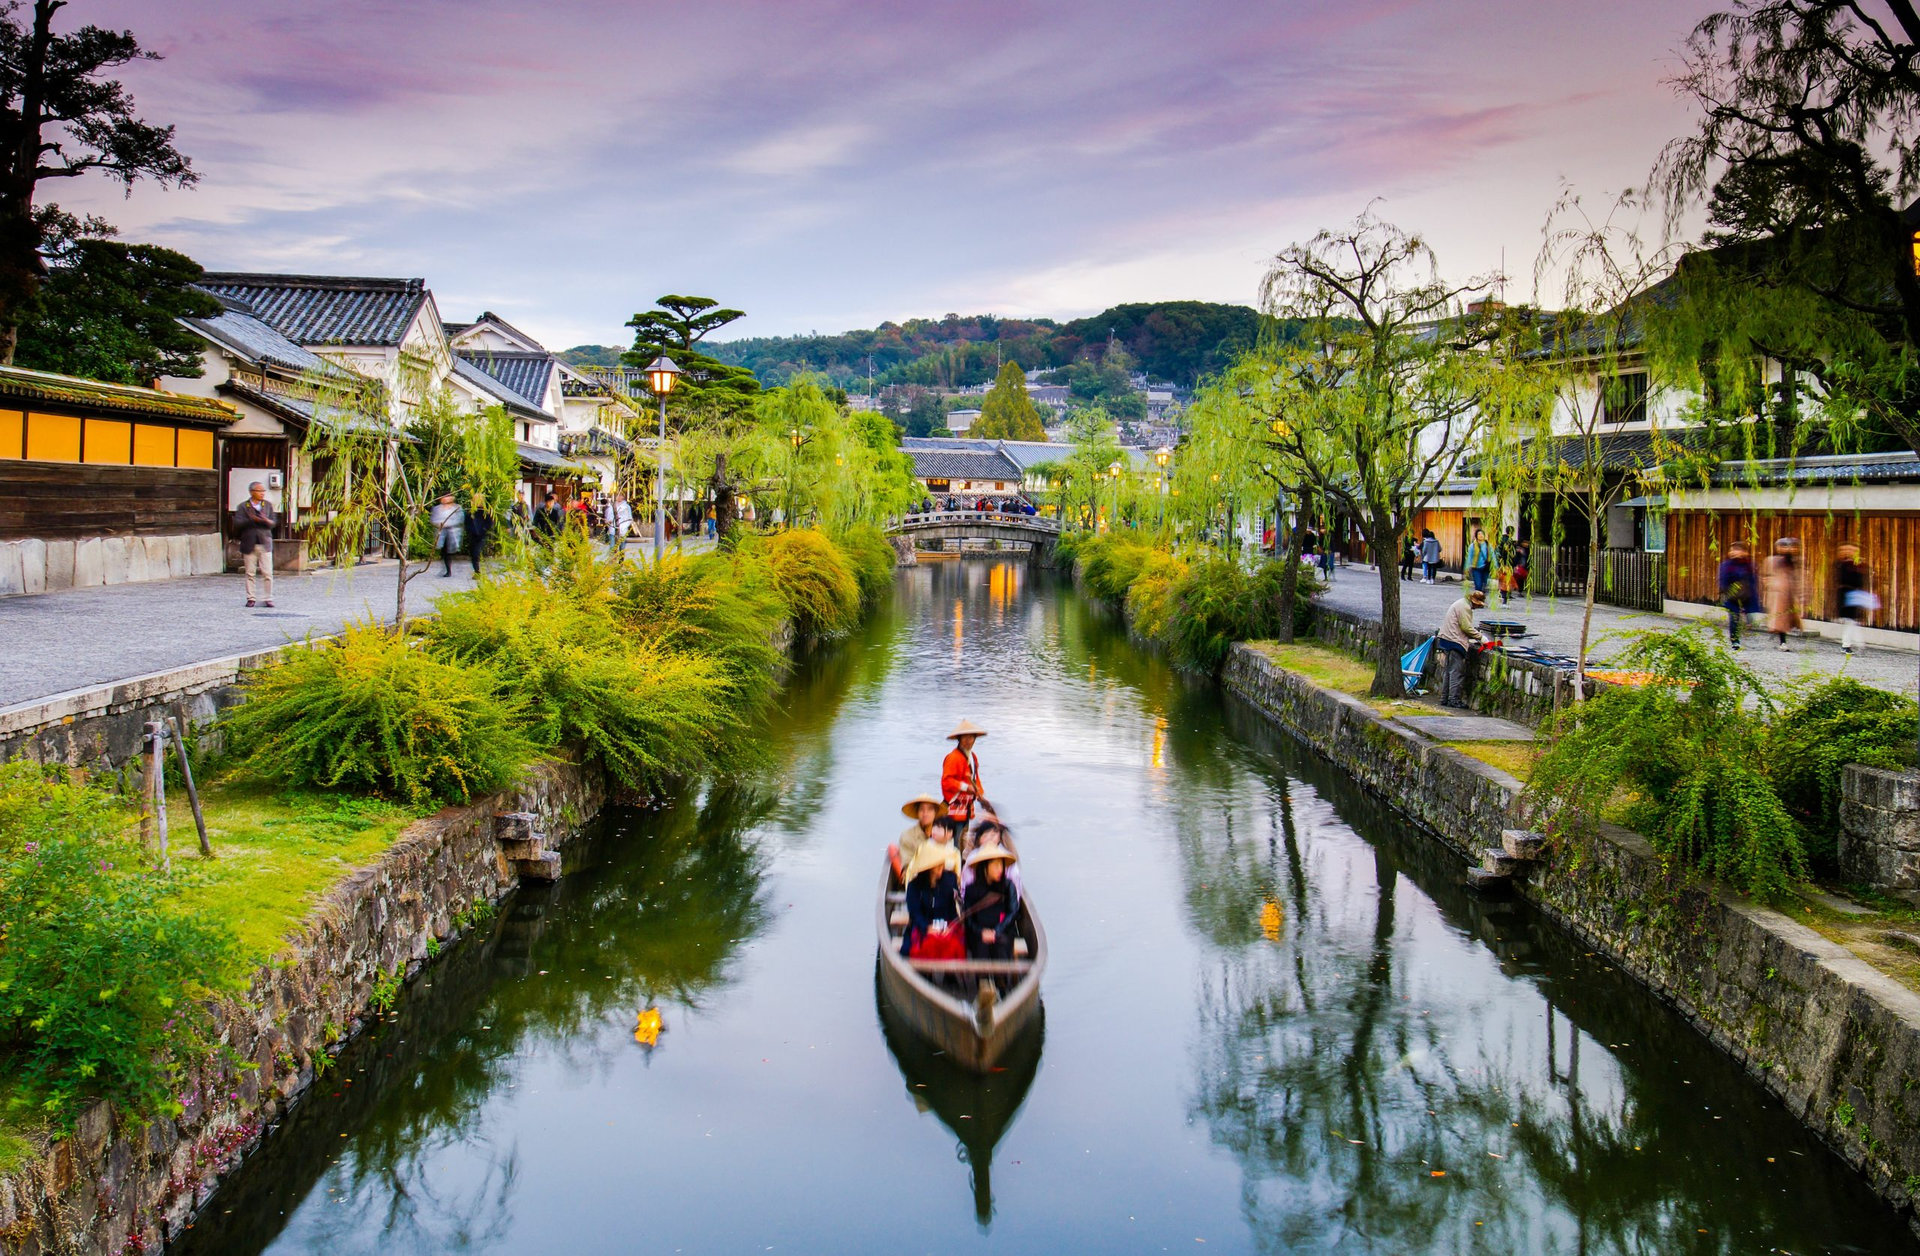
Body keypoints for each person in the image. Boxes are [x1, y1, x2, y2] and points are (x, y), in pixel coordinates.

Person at [900, 840, 962, 960]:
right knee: (909, 950)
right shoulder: (914, 885)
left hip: (945, 924)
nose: (941, 868)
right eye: (937, 866)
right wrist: (927, 928)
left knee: (956, 947)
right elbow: (914, 912)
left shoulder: (950, 879)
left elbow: (953, 908)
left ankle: (951, 976)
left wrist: (951, 926)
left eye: (942, 864)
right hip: (923, 924)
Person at [962, 843, 1020, 962]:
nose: (1000, 869)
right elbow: (968, 918)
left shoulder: (1008, 886)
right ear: (985, 867)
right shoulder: (972, 889)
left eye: (1001, 865)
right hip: (979, 932)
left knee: (1001, 945)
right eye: (996, 865)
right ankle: (982, 979)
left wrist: (996, 931)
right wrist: (981, 932)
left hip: (1002, 929)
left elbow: (1013, 912)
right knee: (980, 948)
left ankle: (1003, 979)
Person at [1435, 588, 1488, 708]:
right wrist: (1481, 637)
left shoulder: (1460, 603)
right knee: (1456, 672)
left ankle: (1445, 698)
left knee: (1448, 671)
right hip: (1455, 641)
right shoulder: (1465, 607)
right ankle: (1453, 699)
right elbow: (1466, 627)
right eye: (1477, 605)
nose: (1476, 608)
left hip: (1446, 638)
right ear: (1474, 602)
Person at [232, 481, 277, 608]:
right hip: (249, 542)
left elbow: (273, 523)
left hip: (265, 543)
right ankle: (251, 598)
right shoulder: (243, 506)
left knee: (267, 573)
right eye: (259, 491)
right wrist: (251, 520)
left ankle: (268, 598)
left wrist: (265, 520)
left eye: (263, 491)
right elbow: (237, 523)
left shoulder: (267, 505)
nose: (262, 493)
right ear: (252, 492)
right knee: (250, 573)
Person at [1717, 542, 1761, 649]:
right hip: (1732, 594)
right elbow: (1722, 579)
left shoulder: (1749, 565)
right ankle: (1735, 640)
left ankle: (1748, 624)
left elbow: (1753, 580)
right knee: (1734, 617)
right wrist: (1725, 591)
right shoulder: (1726, 565)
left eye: (1737, 550)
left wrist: (1753, 592)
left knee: (1750, 615)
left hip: (1747, 594)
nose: (1734, 552)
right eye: (1732, 550)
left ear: (1744, 552)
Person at [1764, 536, 1803, 651]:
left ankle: (1782, 639)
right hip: (1779, 594)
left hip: (1789, 593)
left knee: (1788, 617)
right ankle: (1783, 641)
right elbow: (1766, 575)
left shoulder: (1794, 561)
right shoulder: (1773, 561)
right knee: (1781, 618)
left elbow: (1798, 577)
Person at [1835, 542, 1872, 656]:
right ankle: (1851, 645)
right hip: (1847, 596)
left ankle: (1852, 645)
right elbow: (1855, 580)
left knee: (1851, 622)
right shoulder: (1843, 566)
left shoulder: (1848, 565)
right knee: (1851, 622)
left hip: (1851, 596)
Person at [941, 720, 986, 807]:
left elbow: (975, 779)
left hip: (966, 808)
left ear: (974, 739)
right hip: (952, 808)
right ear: (959, 739)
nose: (968, 741)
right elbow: (946, 782)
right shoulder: (952, 758)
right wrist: (965, 787)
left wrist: (980, 795)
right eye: (965, 737)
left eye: (971, 737)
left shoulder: (973, 757)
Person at [896, 793, 943, 875]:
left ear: (935, 813)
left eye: (929, 809)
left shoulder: (943, 834)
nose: (925, 813)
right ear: (917, 812)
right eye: (921, 809)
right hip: (915, 877)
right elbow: (908, 865)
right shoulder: (907, 836)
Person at [430, 493, 464, 577]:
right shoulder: (437, 509)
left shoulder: (457, 508)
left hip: (452, 531)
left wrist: (448, 523)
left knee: (450, 551)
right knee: (444, 551)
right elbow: (433, 519)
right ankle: (447, 569)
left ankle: (449, 569)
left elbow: (459, 519)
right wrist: (440, 524)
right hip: (441, 532)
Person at [466, 495, 494, 575]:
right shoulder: (470, 512)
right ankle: (476, 570)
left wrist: (484, 530)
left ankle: (478, 570)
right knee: (473, 553)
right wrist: (470, 531)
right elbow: (467, 524)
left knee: (477, 552)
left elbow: (489, 523)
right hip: (473, 536)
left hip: (482, 535)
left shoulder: (485, 512)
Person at [1465, 527, 1493, 595]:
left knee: (1484, 583)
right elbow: (1469, 557)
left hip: (1486, 567)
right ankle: (1478, 597)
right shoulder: (1473, 546)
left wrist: (1495, 566)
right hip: (1476, 567)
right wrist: (1467, 567)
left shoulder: (1488, 545)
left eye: (1482, 534)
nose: (1481, 535)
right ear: (1476, 536)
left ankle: (1481, 597)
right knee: (1478, 584)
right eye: (1479, 534)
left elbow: (1492, 555)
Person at [1495, 526, 1518, 605]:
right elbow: (1507, 554)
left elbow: (1498, 553)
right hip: (1506, 564)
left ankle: (1503, 595)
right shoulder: (1508, 541)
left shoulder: (1501, 540)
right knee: (1506, 581)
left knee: (1503, 581)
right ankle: (1504, 598)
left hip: (1502, 564)